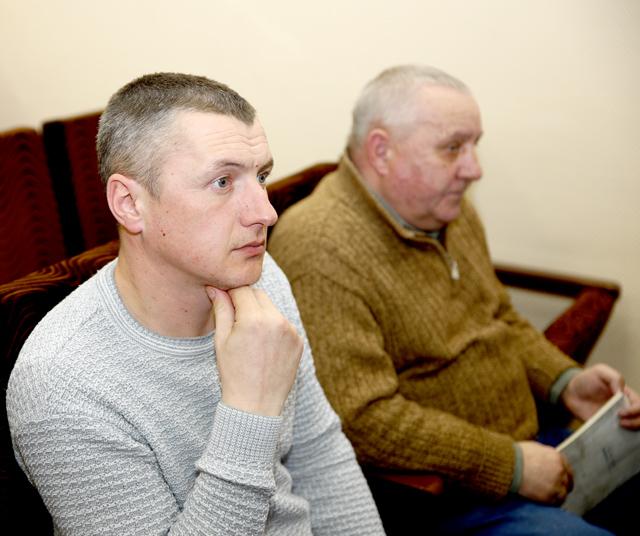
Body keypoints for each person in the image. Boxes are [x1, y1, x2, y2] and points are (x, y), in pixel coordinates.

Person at [6, 73, 385, 535]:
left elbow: (318, 452)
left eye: (261, 176)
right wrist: (250, 410)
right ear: (129, 204)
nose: (266, 213)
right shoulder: (61, 384)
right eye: (223, 181)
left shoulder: (261, 276)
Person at [268, 64, 640, 535]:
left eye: (474, 145)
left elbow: (500, 315)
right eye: (453, 148)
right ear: (381, 151)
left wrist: (566, 382)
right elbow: (361, 418)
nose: (474, 169)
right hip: (446, 499)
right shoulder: (321, 249)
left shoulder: (446, 209)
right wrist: (509, 465)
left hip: (534, 445)